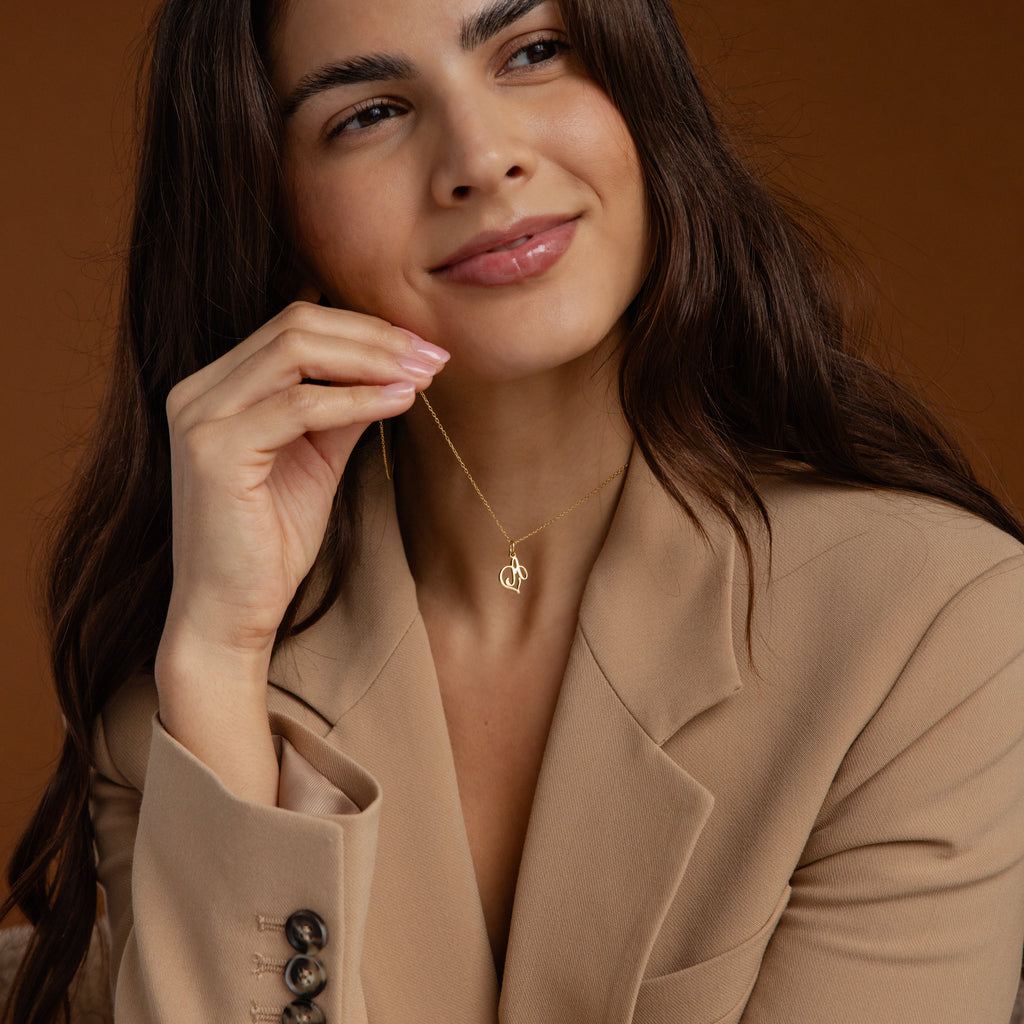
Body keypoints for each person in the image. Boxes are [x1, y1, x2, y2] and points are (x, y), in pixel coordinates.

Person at [3, 0, 1023, 1021]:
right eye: (367, 114)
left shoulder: (932, 625)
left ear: (639, 91)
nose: (481, 159)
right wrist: (220, 659)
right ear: (274, 209)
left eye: (532, 52)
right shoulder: (187, 682)